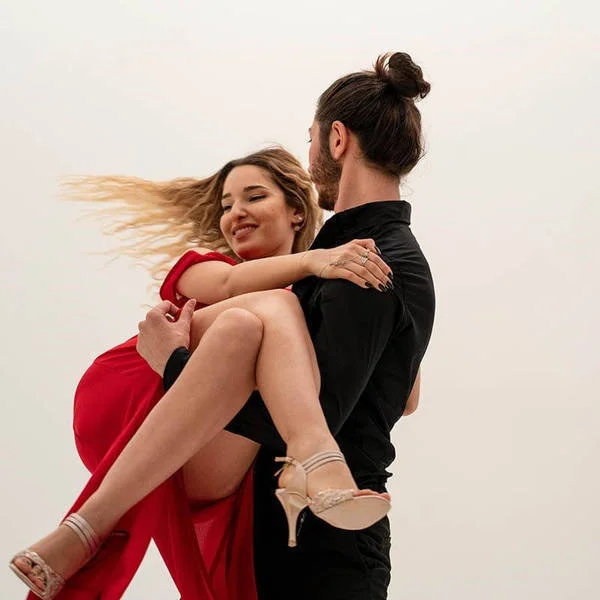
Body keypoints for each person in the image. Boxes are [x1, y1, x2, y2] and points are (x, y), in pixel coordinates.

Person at [9, 147, 395, 600]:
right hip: (132, 394)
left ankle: (84, 530)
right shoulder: (203, 265)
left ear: (297, 211)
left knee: (246, 326)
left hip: (200, 453)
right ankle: (314, 456)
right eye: (227, 205)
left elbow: (400, 396)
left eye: (254, 197)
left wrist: (390, 311)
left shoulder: (317, 301)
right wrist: (314, 260)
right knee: (261, 311)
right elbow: (231, 286)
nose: (236, 213)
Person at [139, 51, 435, 599]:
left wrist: (175, 365)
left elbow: (311, 417)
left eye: (311, 139)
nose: (310, 154)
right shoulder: (358, 256)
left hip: (325, 553)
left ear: (337, 140)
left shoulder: (362, 263)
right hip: (299, 543)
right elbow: (401, 396)